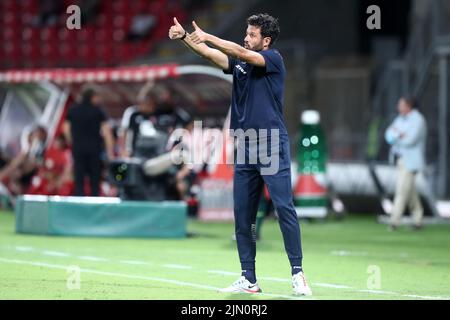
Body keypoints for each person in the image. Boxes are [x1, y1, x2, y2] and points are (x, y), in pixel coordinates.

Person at [169, 13, 312, 296]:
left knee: (284, 207)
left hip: (270, 143)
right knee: (242, 215)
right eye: (246, 33)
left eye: (252, 34)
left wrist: (209, 35)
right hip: (244, 145)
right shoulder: (241, 65)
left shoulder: (273, 59)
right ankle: (249, 278)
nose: (246, 38)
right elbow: (210, 54)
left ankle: (298, 274)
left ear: (266, 40)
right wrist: (187, 37)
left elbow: (236, 50)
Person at [385, 96, 427, 231]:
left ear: (409, 106)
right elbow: (388, 135)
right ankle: (418, 220)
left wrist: (397, 135)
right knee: (410, 193)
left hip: (411, 161)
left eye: (401, 105)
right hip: (400, 159)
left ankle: (394, 221)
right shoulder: (400, 118)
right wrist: (399, 135)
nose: (399, 108)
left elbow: (411, 140)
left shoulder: (418, 120)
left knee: (401, 191)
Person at [64, 89, 114, 197]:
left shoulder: (73, 110)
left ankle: (79, 197)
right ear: (92, 97)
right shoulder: (98, 110)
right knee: (95, 177)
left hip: (78, 148)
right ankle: (94, 199)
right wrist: (110, 151)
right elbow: (106, 132)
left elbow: (66, 128)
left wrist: (72, 141)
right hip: (94, 149)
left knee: (79, 176)